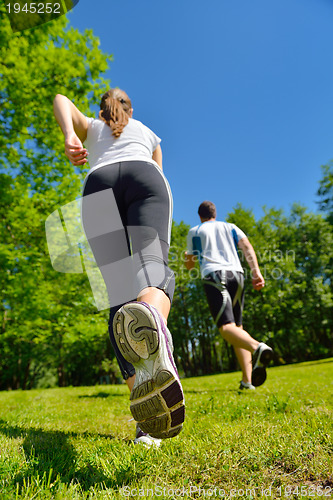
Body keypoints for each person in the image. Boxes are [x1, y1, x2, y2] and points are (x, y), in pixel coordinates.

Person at [53, 89, 185, 446]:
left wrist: (70, 135)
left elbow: (61, 99)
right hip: (145, 179)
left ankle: (146, 419)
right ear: (131, 108)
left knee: (117, 292)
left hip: (97, 184)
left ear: (101, 108)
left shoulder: (93, 126)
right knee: (151, 264)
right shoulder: (147, 133)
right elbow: (158, 167)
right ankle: (153, 319)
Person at [184, 200, 273, 390]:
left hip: (214, 275)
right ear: (215, 213)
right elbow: (246, 246)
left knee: (226, 329)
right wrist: (256, 272)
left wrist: (187, 257)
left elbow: (190, 264)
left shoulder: (196, 231)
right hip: (237, 275)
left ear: (200, 216)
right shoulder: (231, 227)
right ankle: (247, 382)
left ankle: (258, 348)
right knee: (237, 329)